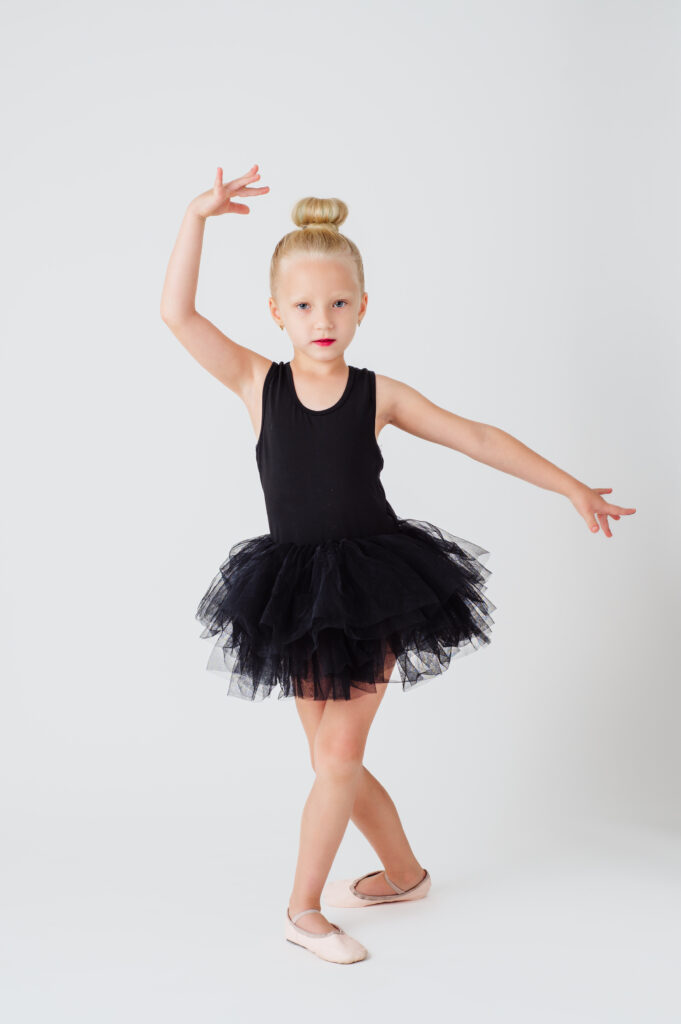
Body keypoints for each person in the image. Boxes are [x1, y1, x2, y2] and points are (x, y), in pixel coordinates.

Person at [160, 163, 636, 964]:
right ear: (275, 312)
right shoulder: (256, 382)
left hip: (375, 586)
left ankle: (302, 910)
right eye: (305, 305)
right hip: (294, 592)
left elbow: (475, 436)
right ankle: (406, 874)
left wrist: (569, 487)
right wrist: (196, 215)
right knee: (329, 760)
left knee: (337, 757)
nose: (323, 318)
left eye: (339, 303)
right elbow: (176, 315)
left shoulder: (376, 392)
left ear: (362, 308)